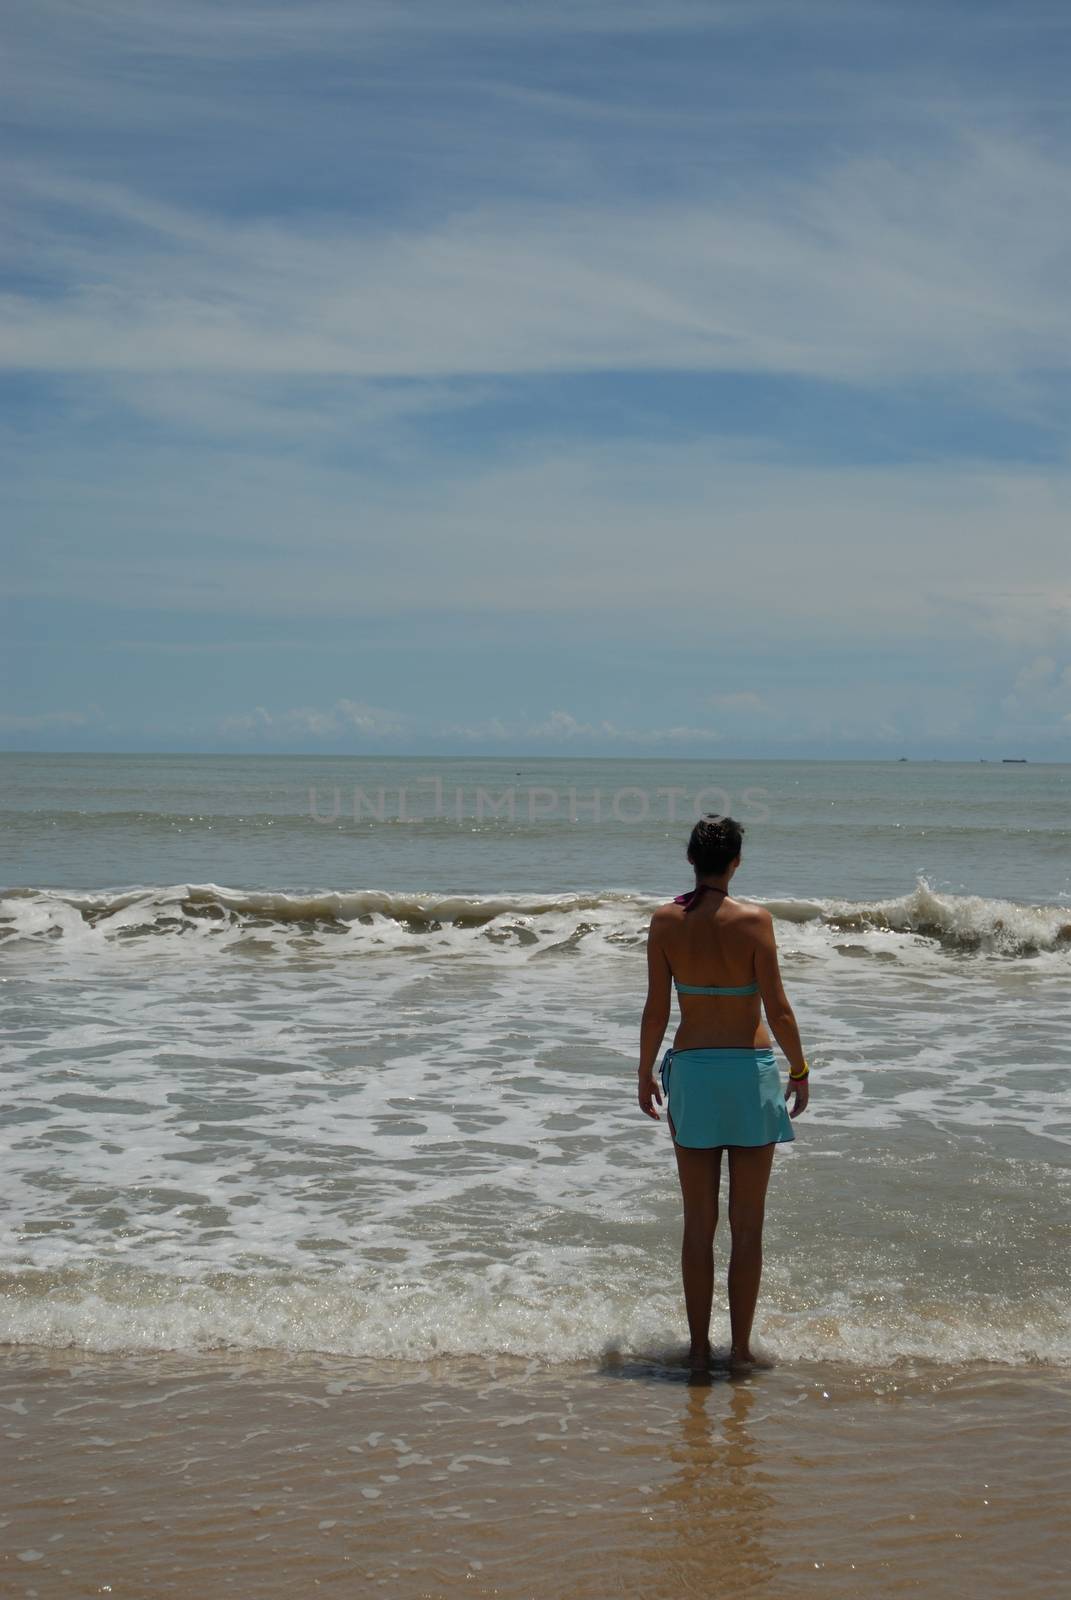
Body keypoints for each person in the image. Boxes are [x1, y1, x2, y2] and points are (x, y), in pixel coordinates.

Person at [637, 814, 809, 1374]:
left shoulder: (665, 922)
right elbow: (778, 1008)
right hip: (750, 1072)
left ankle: (696, 1350)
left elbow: (657, 1009)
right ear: (737, 861)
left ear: (691, 859)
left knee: (698, 1223)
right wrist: (800, 1069)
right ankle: (738, 1351)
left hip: (693, 1071)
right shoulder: (755, 922)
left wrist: (643, 1072)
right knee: (748, 1224)